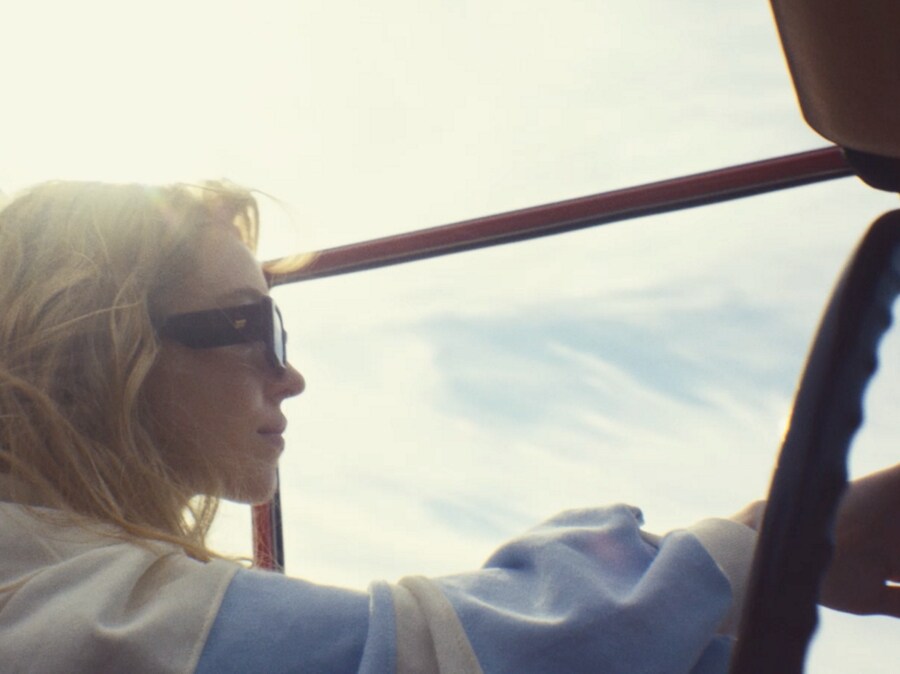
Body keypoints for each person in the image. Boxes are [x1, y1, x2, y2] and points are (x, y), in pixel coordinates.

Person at [0, 180, 896, 674]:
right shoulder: (69, 618)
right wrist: (762, 547)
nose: (291, 374)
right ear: (106, 343)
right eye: (253, 325)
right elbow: (426, 660)